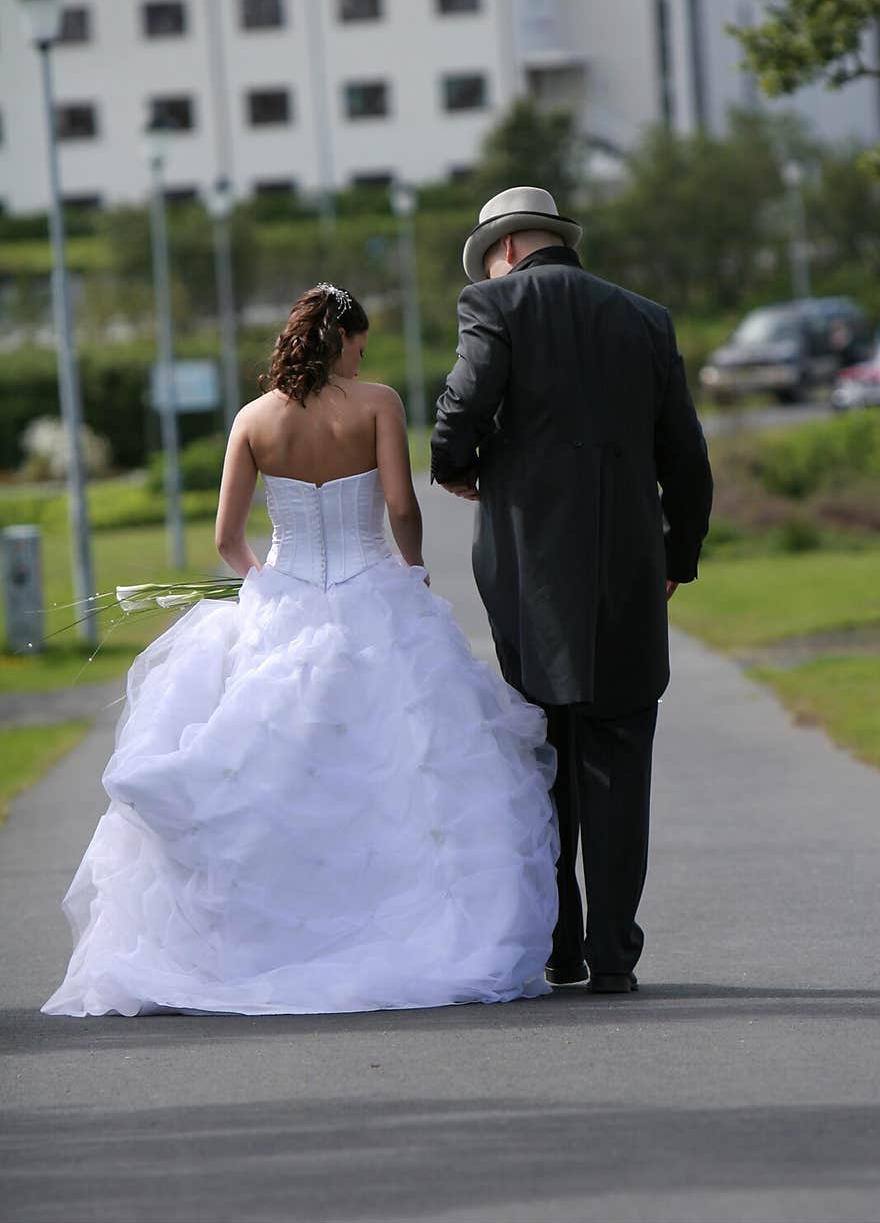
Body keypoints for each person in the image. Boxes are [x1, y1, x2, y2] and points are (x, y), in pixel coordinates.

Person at [41, 282, 559, 1018]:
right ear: (342, 338)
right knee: (412, 764)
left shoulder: (253, 420)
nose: (360, 356)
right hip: (373, 590)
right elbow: (402, 505)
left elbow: (227, 538)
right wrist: (411, 572)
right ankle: (413, 918)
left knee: (274, 763)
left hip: (283, 595)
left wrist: (266, 587)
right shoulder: (377, 402)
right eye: (359, 344)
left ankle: (271, 935)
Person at [430, 187, 713, 994]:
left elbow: (463, 403)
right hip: (628, 572)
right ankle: (616, 953)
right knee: (622, 757)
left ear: (508, 248)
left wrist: (457, 467)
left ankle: (559, 945)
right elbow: (686, 458)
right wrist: (676, 557)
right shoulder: (646, 318)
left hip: (529, 574)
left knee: (542, 755)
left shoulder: (494, 304)